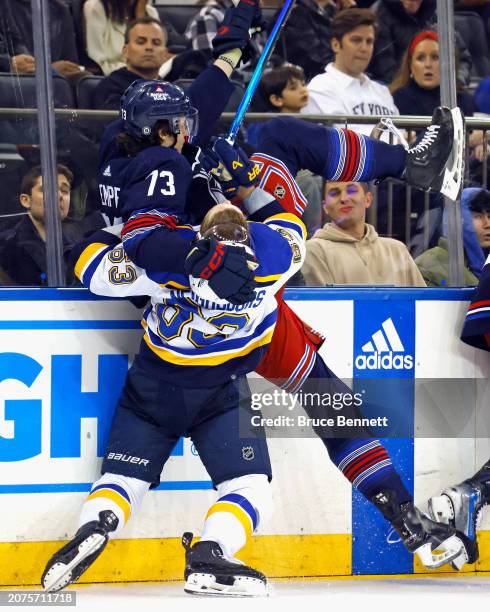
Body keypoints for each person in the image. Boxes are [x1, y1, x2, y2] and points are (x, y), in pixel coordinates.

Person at [41, 198, 307, 596]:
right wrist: (241, 188)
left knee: (123, 478)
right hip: (222, 391)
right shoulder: (279, 260)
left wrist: (124, 228)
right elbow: (288, 222)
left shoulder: (163, 266)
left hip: (153, 387)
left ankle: (98, 524)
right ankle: (211, 552)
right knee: (250, 486)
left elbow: (91, 268)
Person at [301, 181, 426, 286]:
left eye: (351, 191)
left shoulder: (397, 250)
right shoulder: (313, 251)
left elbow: (424, 306)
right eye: (334, 193)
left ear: (368, 199)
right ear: (325, 207)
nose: (344, 198)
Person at [249, 63, 322, 236]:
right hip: (276, 181)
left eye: (303, 84)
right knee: (308, 182)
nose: (303, 90)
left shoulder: (309, 124)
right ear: (276, 99)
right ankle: (312, 235)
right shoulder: (265, 127)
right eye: (293, 87)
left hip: (297, 177)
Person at [301, 8, 399, 137]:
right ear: (336, 44)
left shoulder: (382, 92)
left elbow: (402, 137)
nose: (364, 48)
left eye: (369, 42)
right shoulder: (320, 88)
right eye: (356, 40)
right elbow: (342, 141)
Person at [0, 165, 78, 286]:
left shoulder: (76, 248)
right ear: (26, 200)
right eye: (47, 189)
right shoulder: (5, 246)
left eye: (64, 191)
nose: (59, 196)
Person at [369, 0, 472, 87]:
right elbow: (386, 69)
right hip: (398, 89)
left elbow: (462, 58)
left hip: (438, 89)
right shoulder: (380, 14)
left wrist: (456, 82)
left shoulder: (434, 13)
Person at [415, 188, 490, 287]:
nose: (487, 224)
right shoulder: (429, 265)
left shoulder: (485, 263)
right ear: (458, 220)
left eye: (489, 216)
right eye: (477, 216)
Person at [390, 31, 475, 118]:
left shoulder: (464, 101)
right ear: (410, 65)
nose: (428, 64)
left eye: (435, 57)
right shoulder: (398, 99)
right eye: (420, 58)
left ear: (447, 64)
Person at [92, 17, 171, 110]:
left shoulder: (172, 90)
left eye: (156, 43)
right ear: (126, 51)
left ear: (165, 54)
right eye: (141, 42)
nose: (149, 47)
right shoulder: (110, 87)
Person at [84, 0, 164, 76]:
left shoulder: (150, 12)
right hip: (113, 77)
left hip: (150, 76)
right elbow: (98, 63)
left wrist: (140, 17)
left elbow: (158, 59)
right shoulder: (96, 7)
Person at [6, 0, 82, 78]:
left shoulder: (61, 12)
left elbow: (70, 69)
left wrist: (52, 71)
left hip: (55, 86)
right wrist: (8, 64)